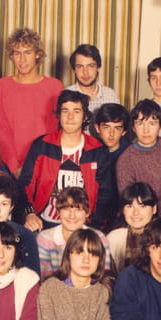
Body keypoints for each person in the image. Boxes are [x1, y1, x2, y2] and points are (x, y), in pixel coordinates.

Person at [18, 89, 116, 232]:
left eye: (76, 111)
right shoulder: (42, 145)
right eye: (65, 111)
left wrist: (93, 227)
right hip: (45, 222)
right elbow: (25, 184)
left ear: (85, 117)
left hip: (83, 225)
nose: (70, 117)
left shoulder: (97, 151)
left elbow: (105, 195)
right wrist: (29, 213)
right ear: (59, 115)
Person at [0, 27, 63, 174]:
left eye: (27, 52)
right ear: (11, 56)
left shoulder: (54, 86)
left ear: (38, 54)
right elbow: (1, 131)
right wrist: (14, 167)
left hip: (43, 164)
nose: (22, 59)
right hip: (9, 167)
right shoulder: (2, 86)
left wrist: (35, 165)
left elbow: (53, 130)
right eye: (17, 53)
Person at [36, 186, 111, 278]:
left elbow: (104, 276)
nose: (72, 216)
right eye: (66, 209)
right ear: (58, 212)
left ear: (87, 213)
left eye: (78, 209)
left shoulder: (99, 238)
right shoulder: (45, 239)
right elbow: (45, 279)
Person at [107, 182, 158, 274]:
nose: (136, 213)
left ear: (154, 209)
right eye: (129, 206)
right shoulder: (113, 239)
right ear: (123, 210)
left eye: (142, 206)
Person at [65, 44, 120, 116]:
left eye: (90, 66)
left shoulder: (111, 96)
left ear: (98, 67)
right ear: (74, 70)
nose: (85, 72)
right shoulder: (66, 95)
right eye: (80, 66)